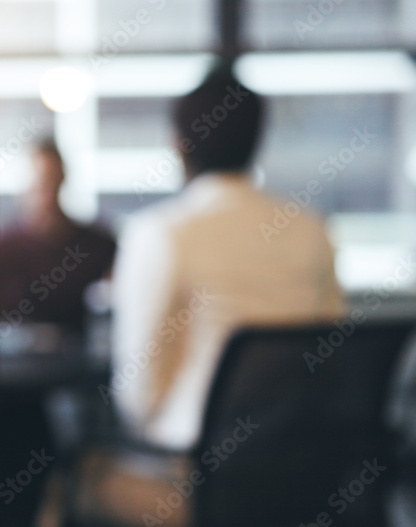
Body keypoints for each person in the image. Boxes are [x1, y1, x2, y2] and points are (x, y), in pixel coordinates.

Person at [109, 63, 345, 452]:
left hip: (189, 471)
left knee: (73, 480)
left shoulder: (161, 233)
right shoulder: (312, 230)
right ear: (258, 139)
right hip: (298, 468)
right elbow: (332, 358)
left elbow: (138, 397)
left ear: (180, 144)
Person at [0, 138, 117, 330]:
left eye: (51, 180)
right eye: (39, 182)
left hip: (79, 356)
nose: (47, 193)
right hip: (16, 356)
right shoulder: (2, 249)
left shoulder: (96, 246)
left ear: (63, 179)